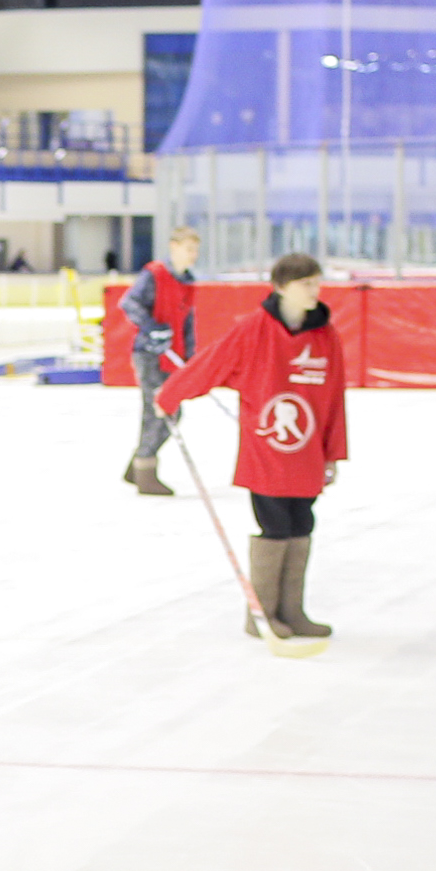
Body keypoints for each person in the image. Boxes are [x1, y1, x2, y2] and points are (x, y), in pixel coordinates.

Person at [157, 248, 346, 642]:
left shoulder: (326, 336)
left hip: (307, 453)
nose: (316, 290)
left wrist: (332, 454)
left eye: (317, 282)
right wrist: (170, 395)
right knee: (274, 524)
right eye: (306, 284)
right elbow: (209, 364)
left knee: (302, 522)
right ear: (281, 288)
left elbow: (333, 400)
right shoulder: (253, 330)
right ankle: (261, 614)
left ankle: (292, 611)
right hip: (267, 455)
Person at [122, 225, 203, 497]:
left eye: (196, 249)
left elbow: (187, 322)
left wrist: (189, 358)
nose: (193, 254)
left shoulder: (187, 282)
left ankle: (138, 463)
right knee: (156, 410)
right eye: (188, 248)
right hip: (149, 354)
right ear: (174, 247)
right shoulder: (154, 274)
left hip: (172, 355)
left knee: (171, 409)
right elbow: (130, 303)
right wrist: (151, 327)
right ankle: (145, 469)